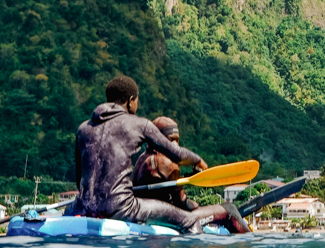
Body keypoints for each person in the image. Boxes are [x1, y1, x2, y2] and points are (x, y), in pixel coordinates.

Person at [70, 75, 248, 234]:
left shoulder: (83, 129)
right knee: (189, 221)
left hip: (83, 205)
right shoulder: (139, 124)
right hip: (121, 208)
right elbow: (176, 154)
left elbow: (80, 181)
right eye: (137, 100)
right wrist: (198, 161)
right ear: (131, 101)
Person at [132, 116, 196, 210]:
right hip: (159, 216)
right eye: (171, 139)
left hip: (141, 211)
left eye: (177, 140)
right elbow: (184, 203)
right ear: (159, 139)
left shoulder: (142, 158)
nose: (175, 145)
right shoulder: (166, 162)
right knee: (223, 209)